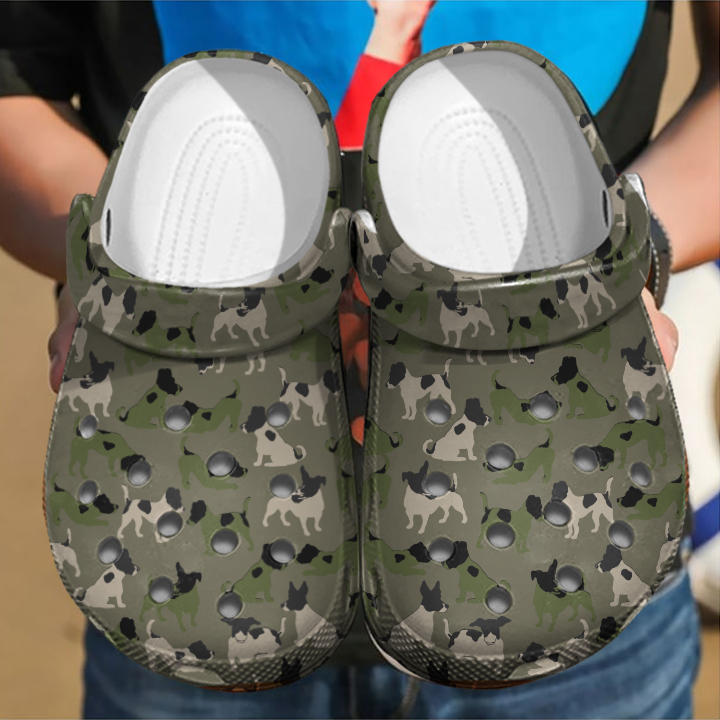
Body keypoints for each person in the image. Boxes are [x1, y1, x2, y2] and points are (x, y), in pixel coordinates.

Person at [0, 2, 718, 718]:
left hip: (586, 610)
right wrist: (100, 264)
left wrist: (643, 248)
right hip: (191, 604)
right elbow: (14, 77)